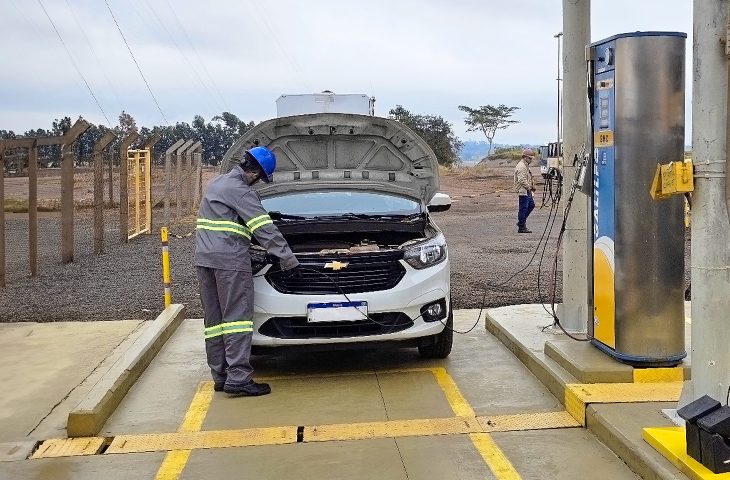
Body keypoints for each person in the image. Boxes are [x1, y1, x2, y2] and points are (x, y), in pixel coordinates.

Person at [195, 146, 300, 397]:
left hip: (204, 259)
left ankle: (220, 376)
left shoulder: (216, 183)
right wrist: (288, 260)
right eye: (260, 179)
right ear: (255, 174)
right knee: (237, 320)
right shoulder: (242, 192)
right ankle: (239, 378)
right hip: (229, 261)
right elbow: (264, 229)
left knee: (215, 321)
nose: (257, 183)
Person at [514, 148, 536, 233]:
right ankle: (521, 226)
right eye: (530, 158)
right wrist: (529, 188)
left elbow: (528, 178)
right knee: (523, 208)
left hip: (526, 190)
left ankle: (521, 222)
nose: (531, 160)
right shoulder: (521, 166)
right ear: (525, 157)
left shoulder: (525, 165)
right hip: (523, 190)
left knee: (531, 205)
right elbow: (522, 180)